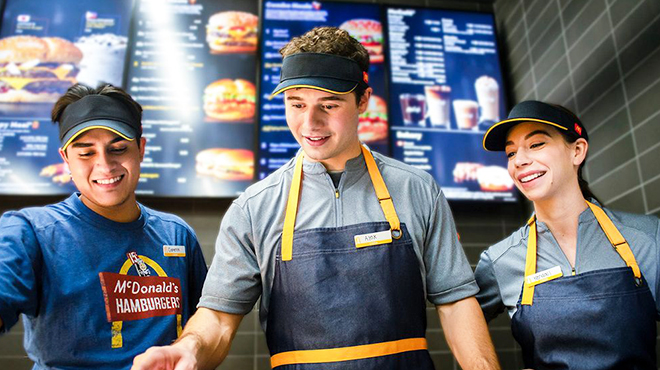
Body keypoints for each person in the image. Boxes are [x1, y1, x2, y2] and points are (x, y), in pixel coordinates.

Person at [132, 27, 500, 370]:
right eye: (296, 104)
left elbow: (455, 302)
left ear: (363, 101)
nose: (310, 124)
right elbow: (218, 317)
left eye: (329, 104)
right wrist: (189, 347)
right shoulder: (253, 207)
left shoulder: (417, 189)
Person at [0, 84, 208, 369]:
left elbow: (205, 326)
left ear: (141, 149)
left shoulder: (176, 234)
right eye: (86, 153)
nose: (105, 166)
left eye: (118, 149)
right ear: (66, 160)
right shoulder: (30, 231)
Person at [475, 100, 659, 369]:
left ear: (577, 151)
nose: (520, 161)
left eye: (536, 144)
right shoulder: (500, 260)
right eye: (511, 153)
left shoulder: (646, 237)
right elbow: (459, 316)